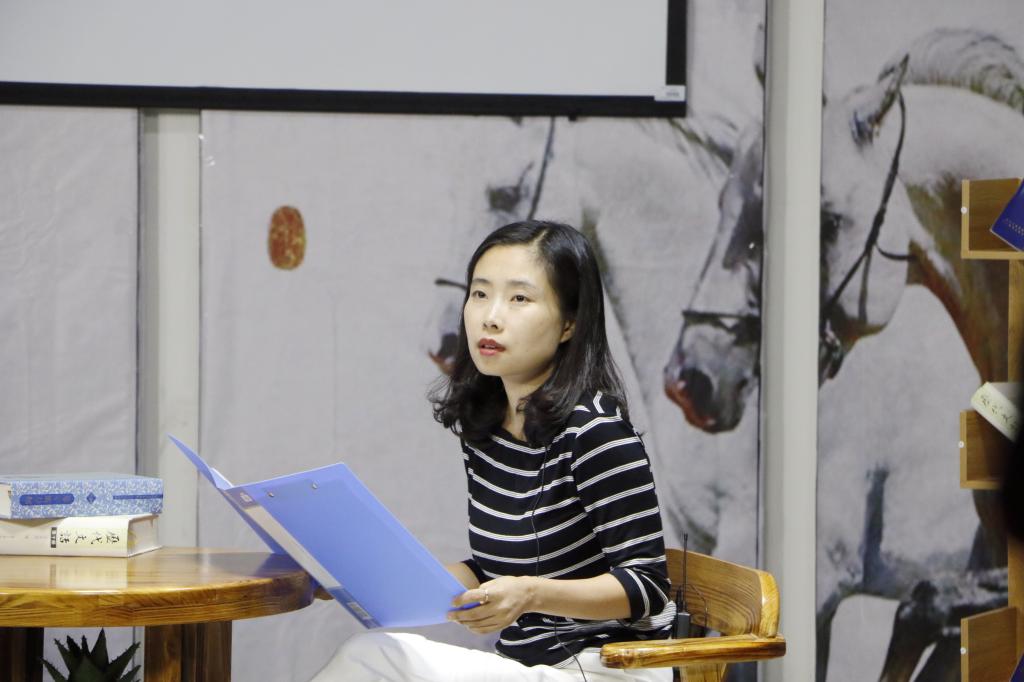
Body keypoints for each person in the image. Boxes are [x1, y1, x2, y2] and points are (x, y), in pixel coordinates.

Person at [313, 220, 675, 681]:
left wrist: (529, 594)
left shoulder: (597, 432)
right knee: (374, 656)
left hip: (607, 668)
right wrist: (366, 582)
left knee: (373, 657)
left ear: (569, 323)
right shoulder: (487, 429)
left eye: (519, 298)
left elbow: (647, 586)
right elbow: (492, 571)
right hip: (527, 668)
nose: (490, 317)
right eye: (480, 294)